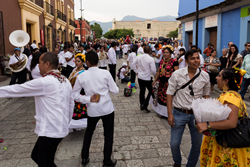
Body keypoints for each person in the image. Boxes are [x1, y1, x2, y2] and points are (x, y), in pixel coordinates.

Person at [0, 52, 74, 166]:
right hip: (58, 128)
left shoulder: (45, 82)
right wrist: (66, 122)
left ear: (47, 64)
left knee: (44, 162)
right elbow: (71, 104)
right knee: (37, 156)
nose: (38, 66)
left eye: (39, 63)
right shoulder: (64, 79)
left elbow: (18, 89)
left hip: (50, 131)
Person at [72, 51, 119, 167]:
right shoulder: (105, 73)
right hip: (107, 108)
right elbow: (115, 91)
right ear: (97, 61)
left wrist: (88, 99)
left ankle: (84, 157)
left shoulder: (81, 75)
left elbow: (74, 95)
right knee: (108, 135)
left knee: (89, 133)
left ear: (86, 62)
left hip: (92, 109)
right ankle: (107, 160)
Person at [196, 68, 250, 167]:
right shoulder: (232, 95)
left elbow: (232, 122)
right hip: (226, 140)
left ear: (226, 81)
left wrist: (207, 125)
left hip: (228, 146)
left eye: (219, 76)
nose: (216, 77)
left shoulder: (230, 97)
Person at [166, 49, 210, 167]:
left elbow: (206, 95)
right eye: (192, 58)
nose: (196, 61)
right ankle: (177, 162)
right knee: (174, 143)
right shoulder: (177, 74)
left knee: (197, 144)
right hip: (179, 113)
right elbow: (169, 93)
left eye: (197, 58)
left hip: (197, 115)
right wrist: (169, 113)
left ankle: (190, 165)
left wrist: (205, 115)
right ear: (186, 61)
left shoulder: (205, 76)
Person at [151, 45, 179, 118]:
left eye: (167, 52)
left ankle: (169, 114)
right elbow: (158, 72)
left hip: (169, 84)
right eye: (164, 52)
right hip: (161, 83)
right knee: (161, 98)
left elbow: (177, 73)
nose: (165, 54)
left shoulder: (174, 61)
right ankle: (162, 113)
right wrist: (155, 80)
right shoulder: (162, 61)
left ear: (170, 53)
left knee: (168, 99)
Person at [132, 46, 156, 112]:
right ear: (150, 51)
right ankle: (145, 104)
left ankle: (142, 104)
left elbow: (133, 64)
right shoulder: (150, 59)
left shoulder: (138, 57)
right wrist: (155, 76)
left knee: (142, 91)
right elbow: (153, 70)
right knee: (151, 91)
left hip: (140, 77)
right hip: (147, 78)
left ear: (143, 50)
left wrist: (136, 72)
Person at [68, 54, 88, 130]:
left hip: (79, 92)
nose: (77, 63)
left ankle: (79, 125)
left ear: (83, 62)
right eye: (75, 61)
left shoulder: (84, 72)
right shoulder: (74, 70)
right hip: (71, 91)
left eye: (78, 61)